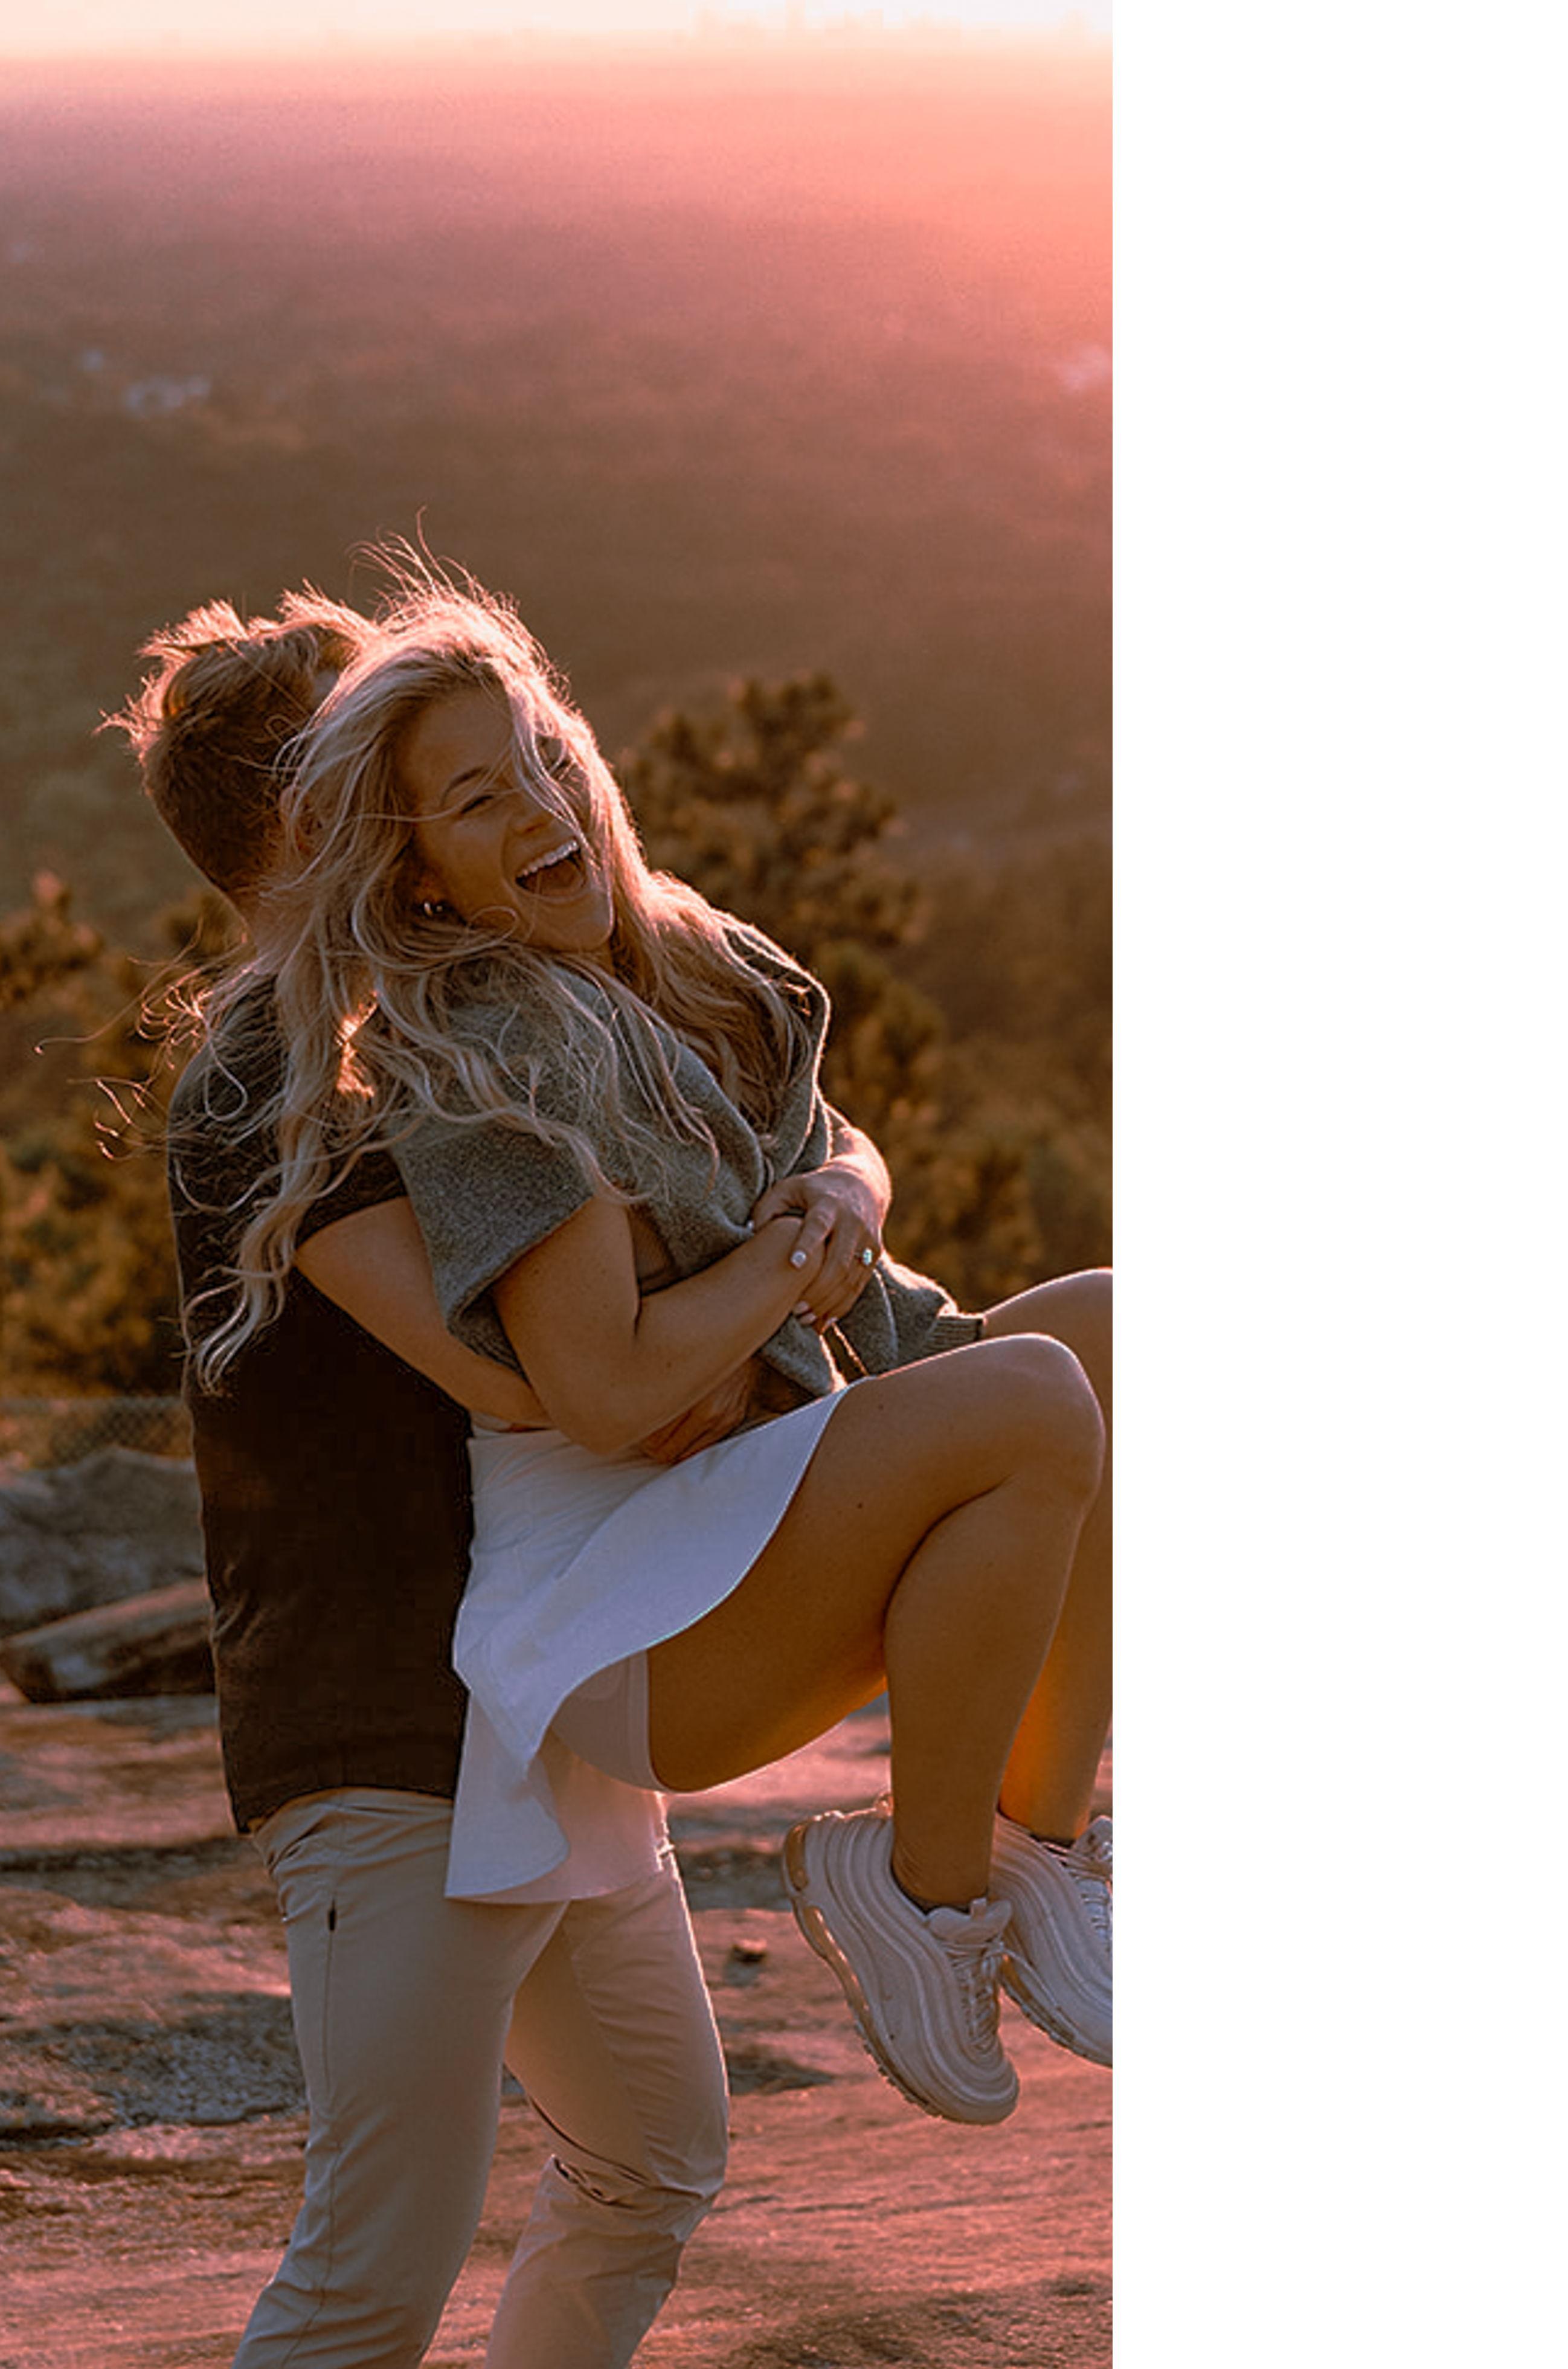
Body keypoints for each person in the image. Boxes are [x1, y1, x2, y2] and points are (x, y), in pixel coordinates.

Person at [194, 568, 1113, 2132]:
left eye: (543, 757)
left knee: (1105, 1328)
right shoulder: (499, 1039)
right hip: (624, 1606)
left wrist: (843, 1190)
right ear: (423, 881)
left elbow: (831, 1143)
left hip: (743, 1491)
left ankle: (1042, 1846)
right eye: (476, 802)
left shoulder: (678, 957)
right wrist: (786, 1261)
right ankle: (928, 1895)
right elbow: (611, 1391)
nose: (539, 807)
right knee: (1032, 1395)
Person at [120, 594, 741, 2369]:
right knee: (372, 2272)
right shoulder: (268, 1069)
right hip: (387, 1730)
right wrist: (751, 1305)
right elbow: (542, 1388)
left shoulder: (437, 1025)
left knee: (652, 2153)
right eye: (402, 759)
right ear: (327, 808)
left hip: (533, 1687)